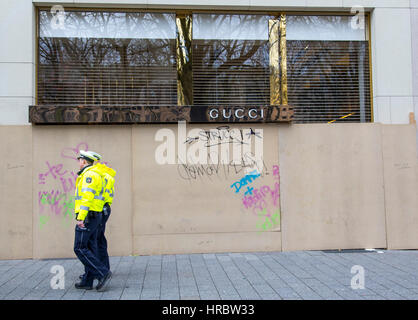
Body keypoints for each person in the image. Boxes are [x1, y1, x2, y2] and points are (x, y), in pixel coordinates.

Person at [73, 150, 112, 291]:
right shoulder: (93, 174)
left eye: (79, 159)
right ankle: (88, 280)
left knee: (79, 247)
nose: (78, 162)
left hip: (88, 216)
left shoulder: (89, 175)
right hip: (94, 215)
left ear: (84, 161)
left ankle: (102, 272)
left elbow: (87, 198)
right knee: (89, 246)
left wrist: (81, 217)